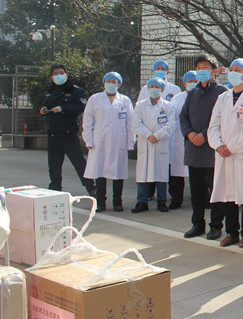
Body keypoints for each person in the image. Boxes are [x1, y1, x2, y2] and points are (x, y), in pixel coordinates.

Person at [208, 59, 243, 247]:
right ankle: (232, 232)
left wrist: (232, 147)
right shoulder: (223, 98)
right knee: (228, 193)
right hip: (224, 154)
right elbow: (213, 125)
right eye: (231, 69)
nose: (233, 73)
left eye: (237, 70)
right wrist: (218, 145)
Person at [180, 54, 227, 239]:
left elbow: (224, 120)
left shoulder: (222, 92)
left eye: (205, 67)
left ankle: (216, 226)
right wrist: (189, 133)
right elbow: (183, 116)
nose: (201, 71)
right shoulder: (193, 93)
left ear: (214, 71)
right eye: (198, 68)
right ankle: (197, 224)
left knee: (215, 191)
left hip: (212, 150)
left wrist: (205, 135)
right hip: (194, 149)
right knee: (196, 192)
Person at [82, 72, 135, 212]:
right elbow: (87, 121)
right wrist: (88, 139)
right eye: (109, 81)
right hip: (99, 141)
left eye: (114, 82)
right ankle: (100, 202)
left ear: (119, 84)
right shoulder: (95, 99)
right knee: (100, 172)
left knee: (118, 173)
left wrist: (130, 142)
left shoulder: (125, 101)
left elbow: (130, 123)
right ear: (104, 83)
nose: (111, 84)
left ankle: (117, 201)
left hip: (119, 142)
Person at [40, 64, 95, 196]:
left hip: (69, 133)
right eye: (55, 73)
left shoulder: (75, 90)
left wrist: (63, 109)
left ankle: (91, 188)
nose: (58, 75)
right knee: (54, 166)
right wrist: (42, 110)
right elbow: (45, 104)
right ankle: (55, 190)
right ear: (51, 77)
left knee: (79, 162)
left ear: (66, 75)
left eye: (61, 73)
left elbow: (82, 106)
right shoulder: (49, 91)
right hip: (53, 133)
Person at [132, 77, 176, 213]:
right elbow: (136, 123)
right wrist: (148, 135)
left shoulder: (168, 106)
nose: (154, 89)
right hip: (145, 143)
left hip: (160, 144)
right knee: (143, 174)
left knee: (161, 174)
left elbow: (171, 125)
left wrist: (156, 136)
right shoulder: (140, 105)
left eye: (157, 87)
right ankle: (142, 201)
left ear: (162, 89)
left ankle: (161, 201)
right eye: (151, 87)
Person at [167, 71, 197, 210]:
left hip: (197, 139)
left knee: (198, 173)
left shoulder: (202, 97)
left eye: (195, 81)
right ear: (184, 83)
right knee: (177, 172)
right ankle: (176, 199)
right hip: (179, 139)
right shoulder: (176, 99)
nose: (193, 83)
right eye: (190, 81)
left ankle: (202, 199)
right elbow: (171, 118)